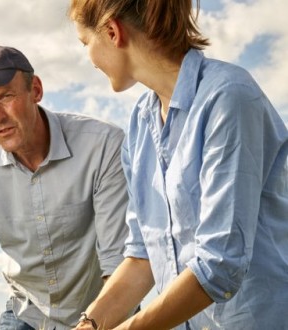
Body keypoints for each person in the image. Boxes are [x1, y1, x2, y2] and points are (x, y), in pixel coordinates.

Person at [68, 0, 288, 329]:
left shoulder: (229, 97)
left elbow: (219, 263)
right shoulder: (140, 124)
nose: (90, 59)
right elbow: (142, 255)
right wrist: (90, 324)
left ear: (113, 32)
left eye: (86, 43)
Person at [0, 45, 130, 330]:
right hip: (26, 313)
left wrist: (93, 323)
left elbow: (117, 264)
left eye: (6, 97)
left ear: (36, 90)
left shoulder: (102, 146)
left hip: (106, 309)